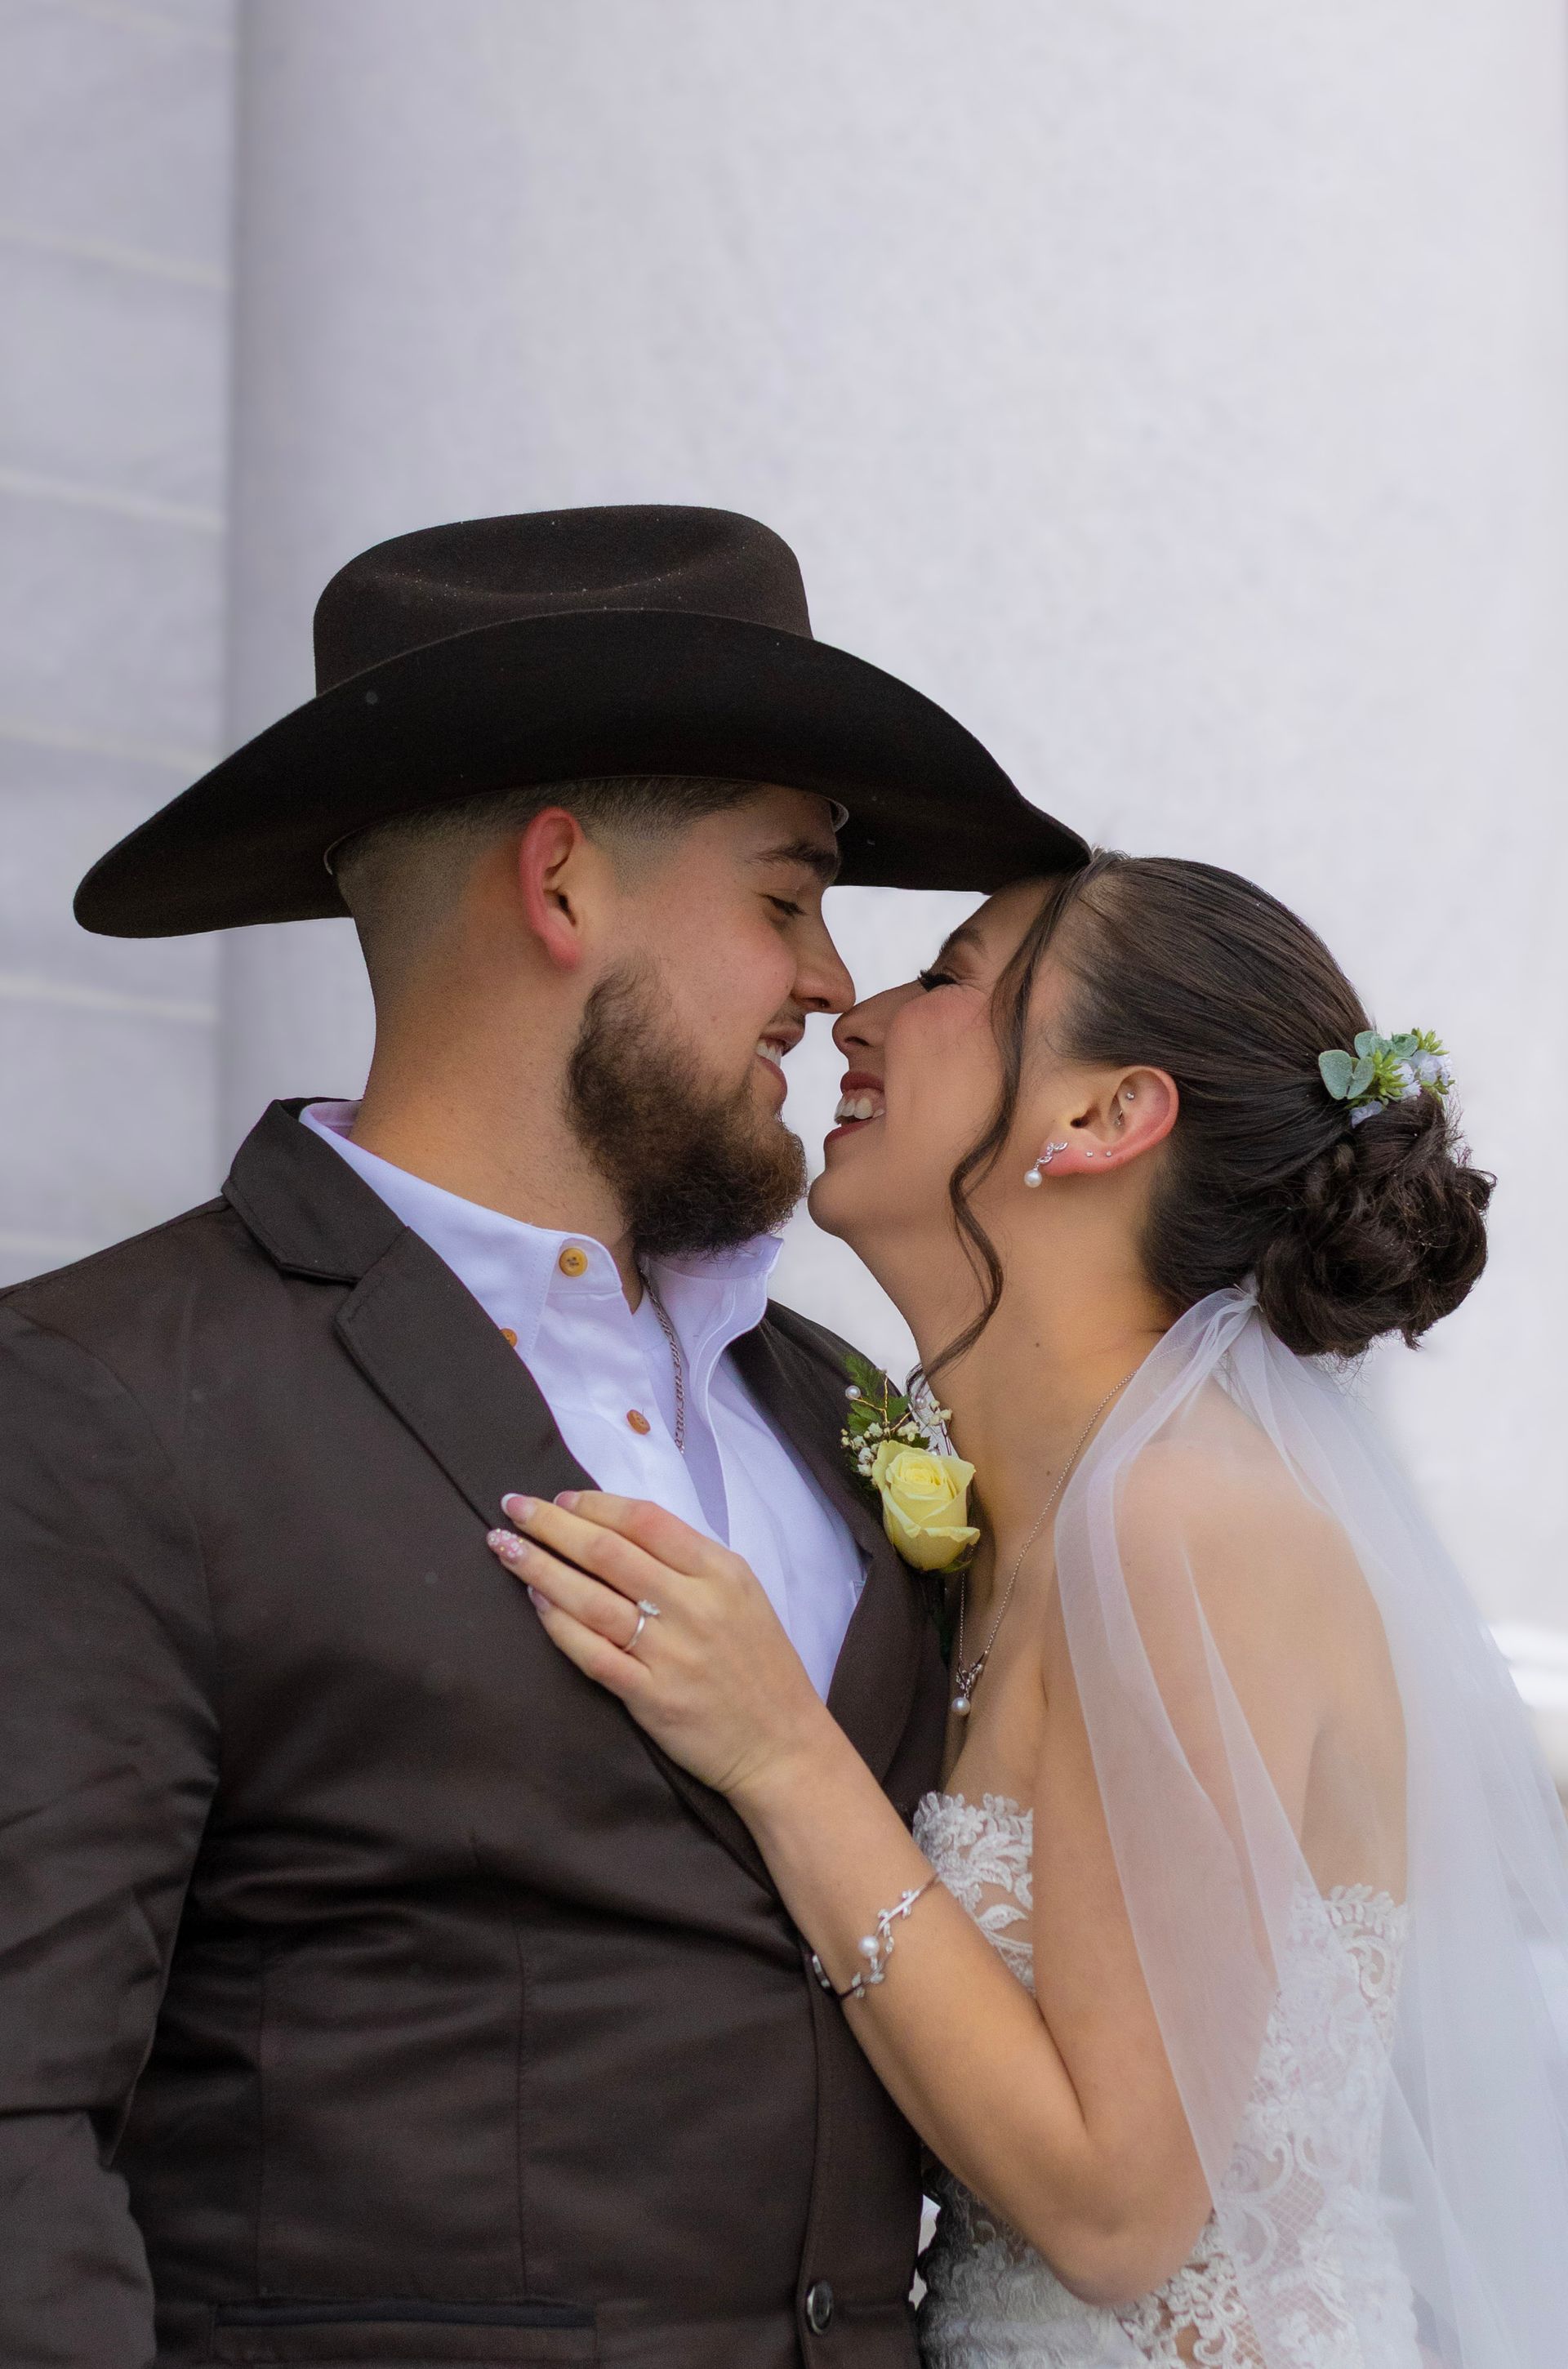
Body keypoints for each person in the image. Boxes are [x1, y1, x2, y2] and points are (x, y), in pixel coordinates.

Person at [0, 505, 1087, 2368]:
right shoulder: (98, 1396)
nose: (833, 983)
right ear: (563, 887)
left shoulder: (840, 1411)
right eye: (786, 894)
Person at [495, 853, 1568, 2369]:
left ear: (1103, 1116)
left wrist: (785, 1756)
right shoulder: (1000, 1515)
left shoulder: (1192, 1522)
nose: (855, 1013)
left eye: (947, 978)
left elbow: (1118, 2215)